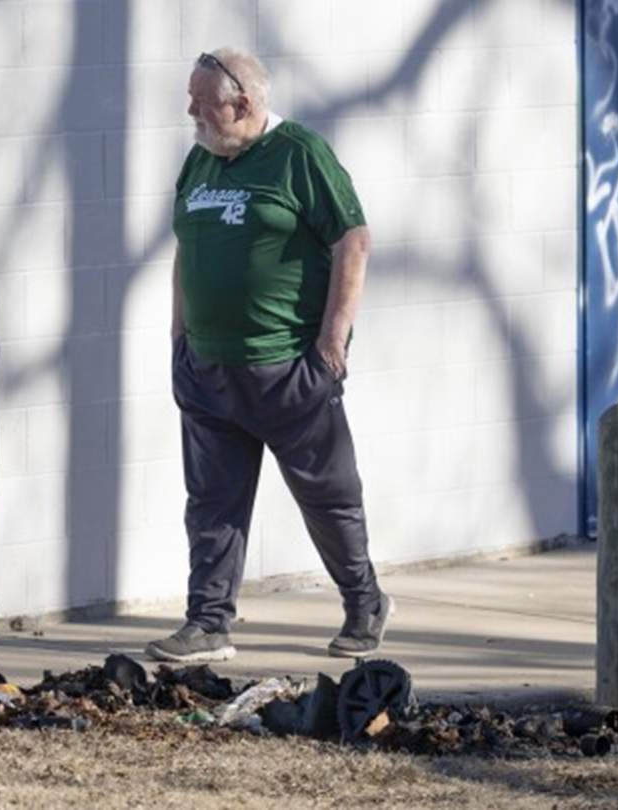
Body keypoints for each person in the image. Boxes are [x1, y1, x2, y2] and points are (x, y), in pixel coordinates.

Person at [145, 47, 392, 663]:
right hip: (207, 370)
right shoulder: (200, 162)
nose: (191, 113)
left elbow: (352, 241)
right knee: (211, 505)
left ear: (244, 104)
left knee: (328, 497)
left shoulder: (299, 154)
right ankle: (206, 624)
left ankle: (364, 603)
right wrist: (179, 338)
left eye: (203, 105)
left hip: (286, 367)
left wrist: (332, 345)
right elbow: (185, 250)